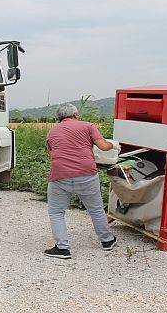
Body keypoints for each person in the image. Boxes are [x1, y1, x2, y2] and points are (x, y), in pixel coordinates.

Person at [43, 104, 117, 259]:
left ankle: (62, 249)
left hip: (59, 176)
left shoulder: (52, 132)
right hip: (86, 174)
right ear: (76, 114)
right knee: (96, 209)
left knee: (56, 212)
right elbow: (103, 146)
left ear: (59, 117)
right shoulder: (88, 126)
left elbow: (51, 154)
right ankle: (107, 241)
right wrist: (114, 145)